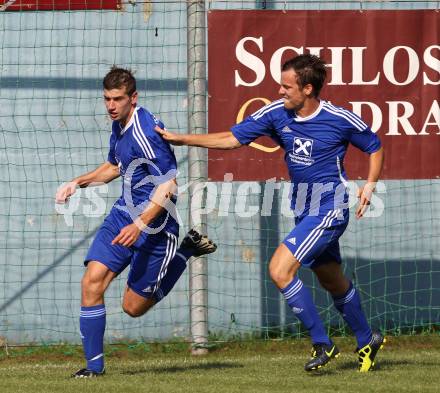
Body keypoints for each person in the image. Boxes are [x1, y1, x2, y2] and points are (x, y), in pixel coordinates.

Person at [156, 54, 385, 372]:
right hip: (304, 209)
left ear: (307, 89)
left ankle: (322, 343)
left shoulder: (338, 118)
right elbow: (232, 138)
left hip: (330, 207)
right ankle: (367, 338)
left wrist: (370, 185)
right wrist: (182, 139)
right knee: (331, 279)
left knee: (279, 270)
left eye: (286, 86)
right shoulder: (276, 114)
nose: (279, 90)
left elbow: (374, 145)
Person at [55, 66, 217, 378]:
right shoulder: (119, 125)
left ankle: (185, 251)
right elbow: (114, 166)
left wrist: (140, 225)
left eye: (117, 99)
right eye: (106, 99)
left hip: (156, 224)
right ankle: (94, 370)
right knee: (91, 281)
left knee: (133, 307)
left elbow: (168, 185)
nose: (110, 105)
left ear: (133, 97)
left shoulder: (146, 130)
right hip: (122, 215)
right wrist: (78, 182)